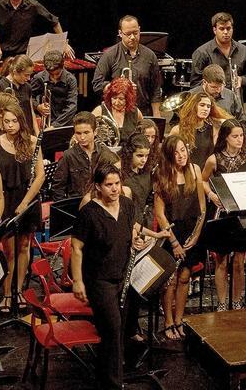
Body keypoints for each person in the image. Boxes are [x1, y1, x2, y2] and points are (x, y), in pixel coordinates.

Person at [72, 164, 169, 389]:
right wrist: (77, 281)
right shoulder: (89, 213)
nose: (114, 189)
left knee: (119, 329)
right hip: (99, 279)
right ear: (98, 187)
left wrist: (137, 240)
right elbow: (76, 248)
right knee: (113, 328)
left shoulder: (126, 204)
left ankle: (107, 373)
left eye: (117, 184)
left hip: (123, 274)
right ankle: (114, 383)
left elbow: (130, 228)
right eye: (109, 185)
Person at [0, 106, 44, 312]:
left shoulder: (32, 142)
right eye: (6, 121)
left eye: (14, 121)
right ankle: (7, 292)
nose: (10, 125)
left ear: (21, 121)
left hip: (27, 200)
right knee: (9, 250)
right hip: (5, 200)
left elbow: (40, 176)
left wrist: (24, 203)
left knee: (24, 247)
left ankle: (19, 290)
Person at [201, 119, 246, 311]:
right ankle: (222, 301)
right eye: (235, 136)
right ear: (226, 137)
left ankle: (237, 300)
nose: (239, 139)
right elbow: (202, 181)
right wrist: (210, 194)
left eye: (241, 135)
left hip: (243, 214)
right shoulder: (214, 159)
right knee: (221, 260)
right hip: (223, 214)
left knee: (240, 262)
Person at [154, 135, 206, 341]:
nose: (181, 155)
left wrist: (196, 236)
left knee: (185, 277)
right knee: (171, 281)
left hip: (192, 232)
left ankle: (179, 319)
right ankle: (168, 322)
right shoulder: (162, 175)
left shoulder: (195, 170)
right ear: (169, 155)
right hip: (172, 233)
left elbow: (202, 209)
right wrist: (174, 243)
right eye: (176, 152)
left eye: (183, 150)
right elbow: (160, 214)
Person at [92, 15, 162, 117]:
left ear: (139, 29)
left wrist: (157, 116)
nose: (132, 37)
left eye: (135, 33)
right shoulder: (109, 55)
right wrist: (120, 86)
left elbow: (155, 89)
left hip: (143, 112)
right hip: (116, 113)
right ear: (120, 33)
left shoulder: (150, 56)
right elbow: (97, 84)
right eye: (128, 34)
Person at [51, 112, 117, 199]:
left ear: (95, 132)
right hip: (76, 206)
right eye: (78, 133)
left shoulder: (105, 152)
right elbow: (58, 188)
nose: (82, 137)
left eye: (86, 133)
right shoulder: (68, 156)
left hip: (101, 203)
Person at [190, 12, 246, 96]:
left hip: (236, 102)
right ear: (214, 30)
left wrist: (241, 80)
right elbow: (195, 85)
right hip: (212, 102)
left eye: (228, 28)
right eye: (221, 29)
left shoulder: (243, 50)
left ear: (232, 29)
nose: (225, 32)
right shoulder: (202, 52)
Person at [169, 92, 230, 169]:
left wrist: (218, 120)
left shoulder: (213, 129)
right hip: (185, 172)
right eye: (202, 105)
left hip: (207, 174)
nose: (205, 109)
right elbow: (167, 153)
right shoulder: (177, 130)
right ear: (193, 106)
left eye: (208, 106)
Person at [0, 54, 39, 135]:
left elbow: (31, 112)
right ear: (15, 72)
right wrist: (4, 111)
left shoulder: (27, 87)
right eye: (26, 75)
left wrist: (37, 134)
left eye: (30, 75)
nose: (29, 78)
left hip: (26, 133)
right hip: (7, 133)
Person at [30, 50, 78, 128]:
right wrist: (38, 106)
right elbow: (29, 96)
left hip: (65, 123)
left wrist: (55, 126)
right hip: (46, 122)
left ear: (63, 66)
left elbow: (72, 106)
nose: (54, 77)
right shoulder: (39, 78)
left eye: (57, 74)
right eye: (51, 74)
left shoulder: (70, 79)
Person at [92, 77, 144, 148]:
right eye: (114, 98)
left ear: (128, 99)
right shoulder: (99, 110)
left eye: (121, 99)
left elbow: (142, 136)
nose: (117, 102)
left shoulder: (135, 112)